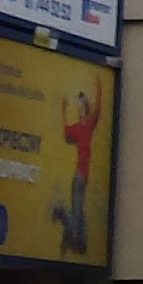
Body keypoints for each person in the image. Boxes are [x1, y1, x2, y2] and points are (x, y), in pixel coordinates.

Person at [50, 83, 102, 259]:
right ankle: (65, 222)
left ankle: (62, 217)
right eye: (79, 106)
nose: (80, 109)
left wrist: (99, 86)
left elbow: (98, 108)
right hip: (79, 176)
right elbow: (66, 133)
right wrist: (64, 110)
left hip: (82, 176)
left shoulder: (87, 126)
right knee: (78, 214)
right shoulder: (80, 128)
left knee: (79, 213)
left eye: (82, 106)